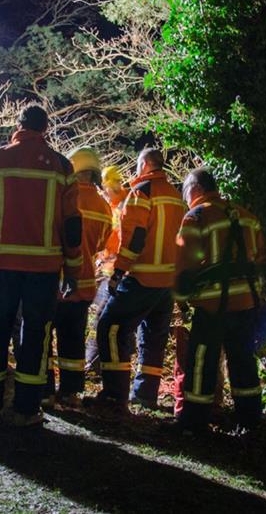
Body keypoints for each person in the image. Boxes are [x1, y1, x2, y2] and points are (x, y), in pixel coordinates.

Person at [0, 105, 82, 427]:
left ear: (17, 126)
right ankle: (26, 411)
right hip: (44, 269)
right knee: (34, 339)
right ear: (45, 129)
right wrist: (73, 272)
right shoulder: (62, 166)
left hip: (1, 265)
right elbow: (72, 225)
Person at [92, 148, 186, 413]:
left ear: (144, 165)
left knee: (110, 327)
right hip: (167, 283)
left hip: (142, 277)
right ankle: (145, 396)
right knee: (152, 339)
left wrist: (119, 272)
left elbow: (135, 238)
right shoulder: (176, 196)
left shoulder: (142, 192)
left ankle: (114, 394)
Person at [173, 167, 266, 433]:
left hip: (212, 306)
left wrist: (181, 301)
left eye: (186, 193)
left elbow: (183, 264)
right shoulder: (246, 215)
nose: (186, 200)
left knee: (202, 361)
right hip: (247, 303)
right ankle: (250, 420)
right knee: (243, 361)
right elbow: (260, 257)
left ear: (196, 189)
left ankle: (194, 420)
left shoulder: (195, 217)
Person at [46, 147, 113, 407]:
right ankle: (71, 392)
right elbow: (100, 245)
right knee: (73, 341)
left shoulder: (62, 197)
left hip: (55, 281)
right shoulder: (104, 206)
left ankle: (45, 389)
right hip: (84, 283)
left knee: (44, 338)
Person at [85, 165, 129, 371]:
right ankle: (96, 363)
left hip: (113, 270)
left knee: (101, 319)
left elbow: (114, 242)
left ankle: (94, 364)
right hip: (110, 268)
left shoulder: (122, 208)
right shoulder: (117, 205)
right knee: (103, 319)